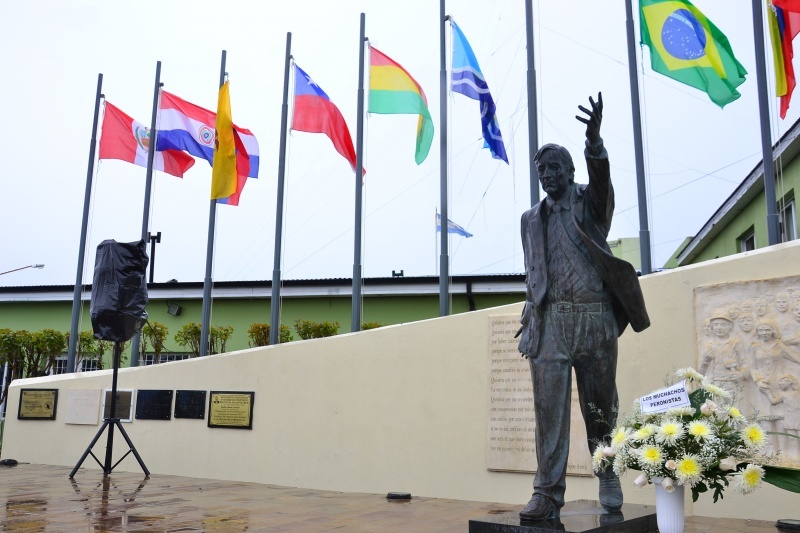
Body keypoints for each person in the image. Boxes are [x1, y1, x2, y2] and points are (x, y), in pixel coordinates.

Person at [515, 93, 650, 520]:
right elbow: (535, 270)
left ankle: (606, 471)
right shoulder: (529, 219)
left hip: (594, 317)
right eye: (541, 170)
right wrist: (530, 309)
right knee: (547, 411)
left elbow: (603, 180)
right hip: (550, 321)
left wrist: (594, 143)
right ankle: (547, 491)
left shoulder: (589, 204)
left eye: (555, 167)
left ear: (572, 172)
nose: (548, 175)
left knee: (599, 405)